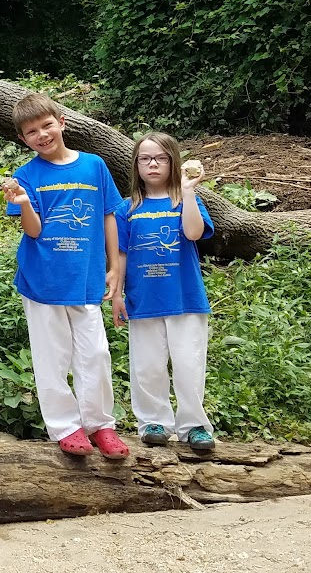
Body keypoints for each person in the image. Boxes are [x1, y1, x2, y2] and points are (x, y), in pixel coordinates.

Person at [1, 92, 129, 459]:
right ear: (23, 138)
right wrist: (24, 203)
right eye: (31, 132)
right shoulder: (26, 176)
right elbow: (34, 231)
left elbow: (109, 215)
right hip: (42, 280)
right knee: (51, 356)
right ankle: (65, 427)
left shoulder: (94, 165)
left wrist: (115, 267)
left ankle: (100, 424)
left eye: (46, 126)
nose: (41, 135)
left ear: (61, 122)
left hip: (85, 277)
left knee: (96, 353)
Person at [116, 132, 216, 452]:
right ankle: (153, 421)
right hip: (143, 299)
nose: (153, 164)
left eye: (161, 158)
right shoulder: (126, 208)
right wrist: (116, 295)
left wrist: (188, 191)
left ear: (173, 162)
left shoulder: (186, 201)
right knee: (147, 366)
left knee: (189, 364)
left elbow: (194, 233)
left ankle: (194, 425)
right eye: (145, 158)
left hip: (185, 297)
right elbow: (120, 254)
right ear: (136, 165)